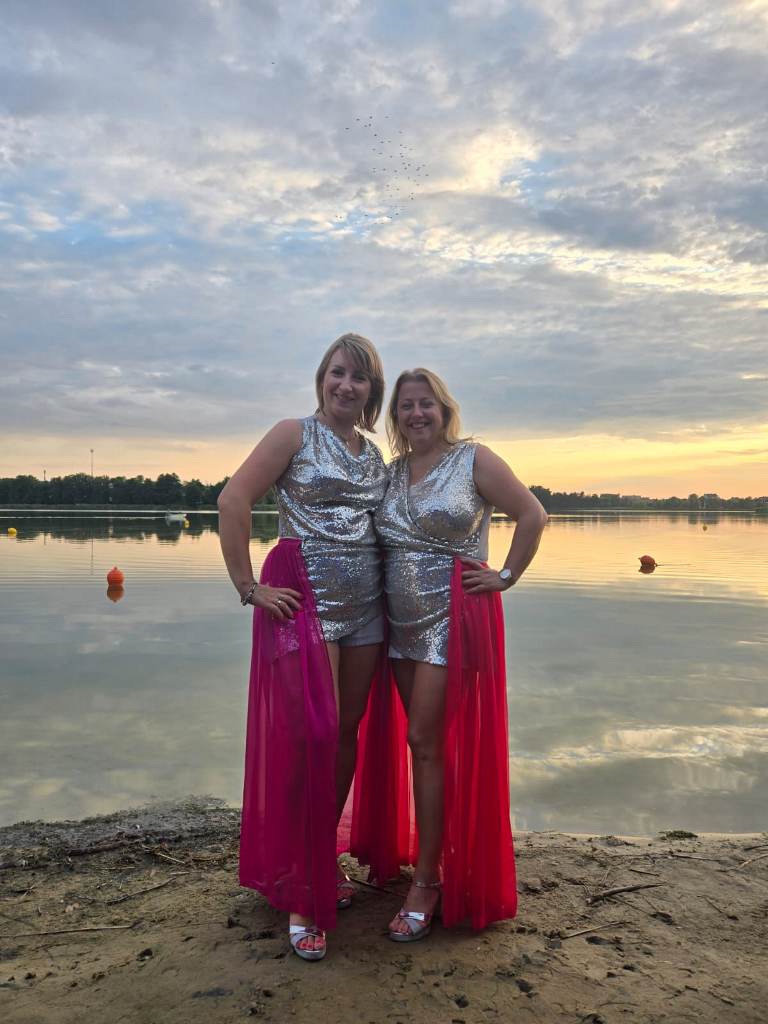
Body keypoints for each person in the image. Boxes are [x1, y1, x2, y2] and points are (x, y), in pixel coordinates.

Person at [218, 333, 387, 961]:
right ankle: (300, 886)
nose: (346, 385)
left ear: (372, 391)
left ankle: (320, 855)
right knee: (310, 735)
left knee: (345, 731)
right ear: (322, 377)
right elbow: (233, 499)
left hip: (367, 606)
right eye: (338, 372)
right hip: (303, 600)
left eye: (359, 377)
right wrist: (248, 588)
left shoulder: (373, 454)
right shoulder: (293, 434)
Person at [373, 368, 548, 940]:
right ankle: (439, 856)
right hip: (397, 622)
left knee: (425, 741)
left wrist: (505, 576)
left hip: (453, 616)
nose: (416, 414)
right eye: (405, 406)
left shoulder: (473, 459)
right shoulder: (391, 472)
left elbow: (532, 514)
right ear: (396, 417)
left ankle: (428, 880)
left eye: (426, 404)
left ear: (444, 410)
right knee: (425, 745)